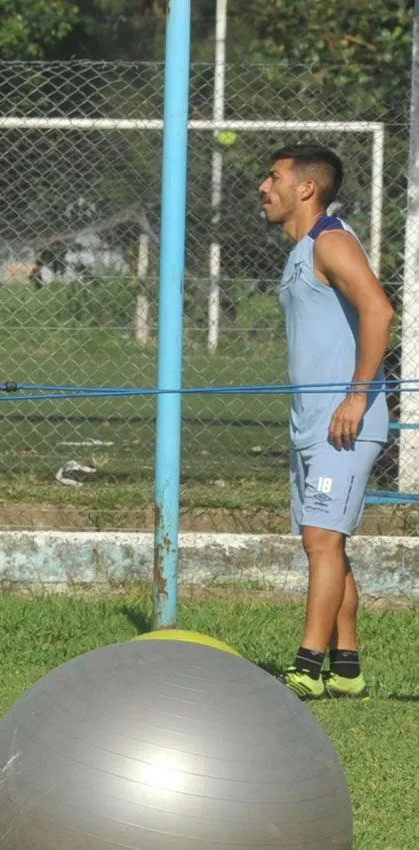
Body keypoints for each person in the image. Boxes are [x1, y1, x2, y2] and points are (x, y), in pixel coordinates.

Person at [259, 143, 393, 701]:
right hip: (311, 424)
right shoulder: (299, 253)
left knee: (321, 540)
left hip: (345, 421)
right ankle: (346, 667)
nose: (263, 187)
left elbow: (379, 310)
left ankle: (306, 668)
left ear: (306, 188)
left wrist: (357, 397)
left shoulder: (330, 239)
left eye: (273, 177)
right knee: (327, 543)